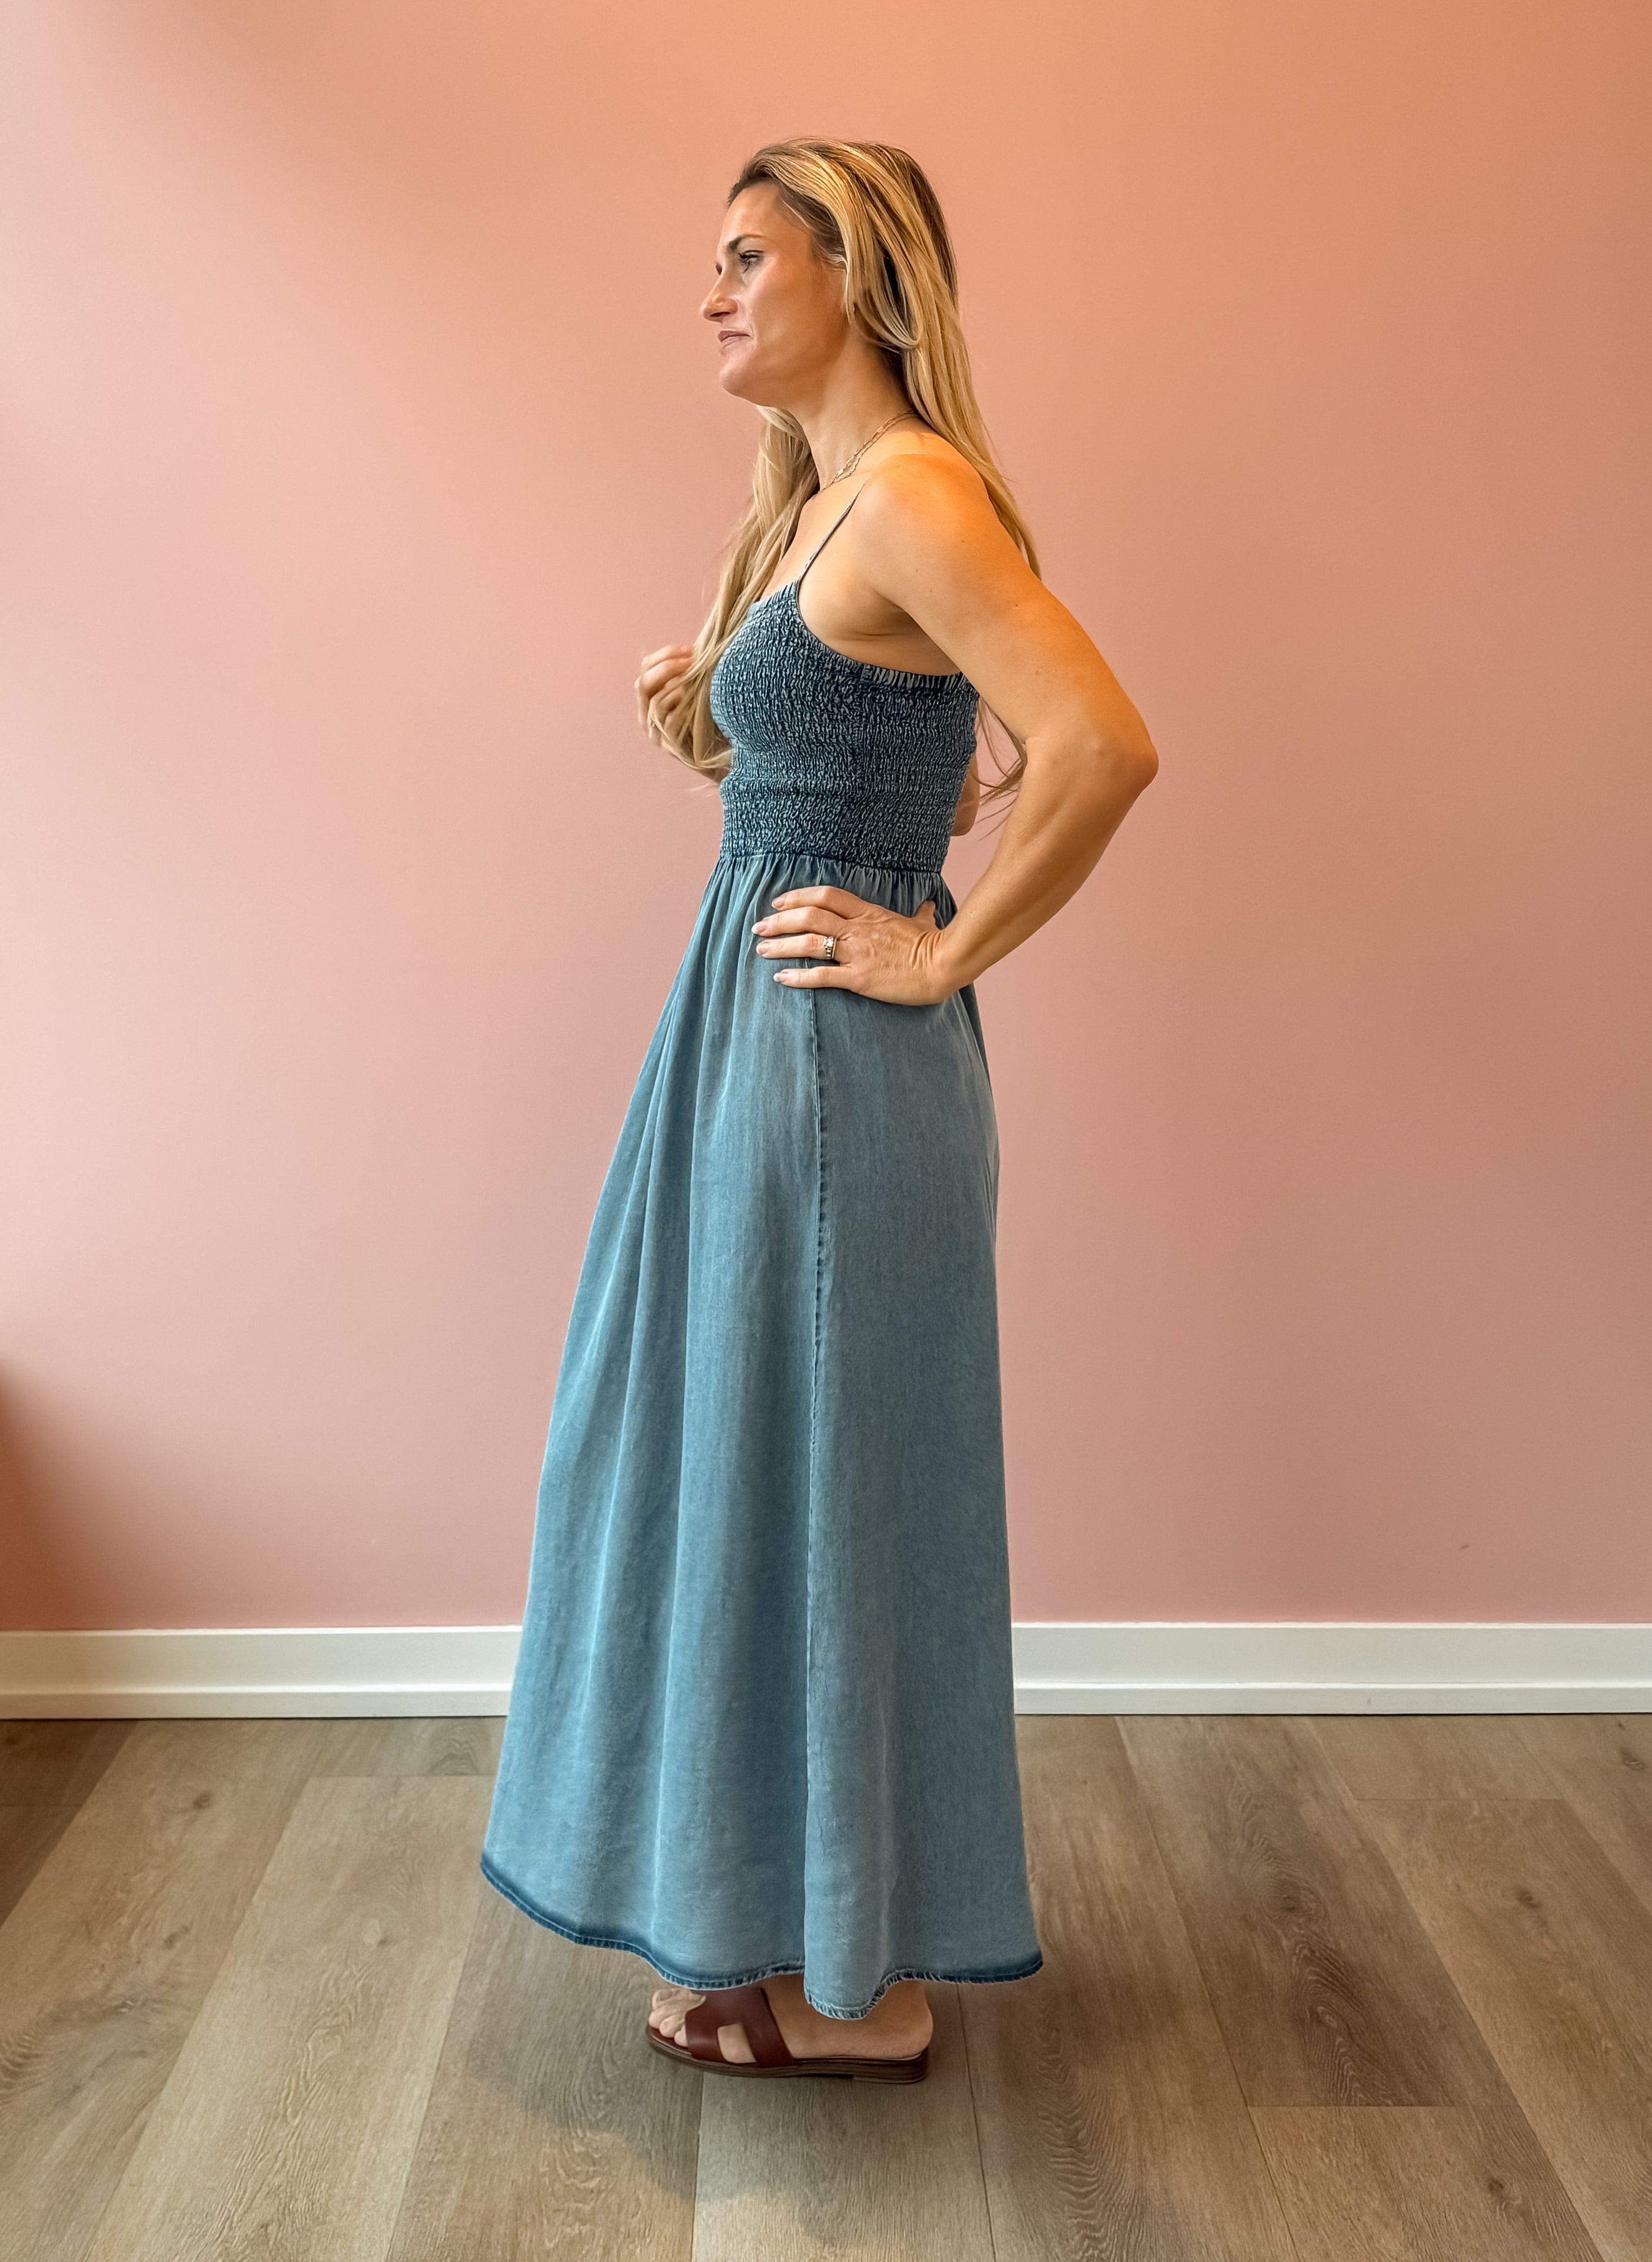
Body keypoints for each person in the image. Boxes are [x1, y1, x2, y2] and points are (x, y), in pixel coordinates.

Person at [481, 138, 1157, 2083]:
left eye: (745, 256)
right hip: (755, 1043)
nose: (710, 292)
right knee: (759, 1466)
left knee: (826, 1482)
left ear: (854, 272)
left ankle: (860, 1989)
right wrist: (720, 719)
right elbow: (912, 755)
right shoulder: (823, 505)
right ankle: (795, 1928)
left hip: (834, 1074)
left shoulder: (917, 494)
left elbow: (1102, 745)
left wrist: (939, 956)